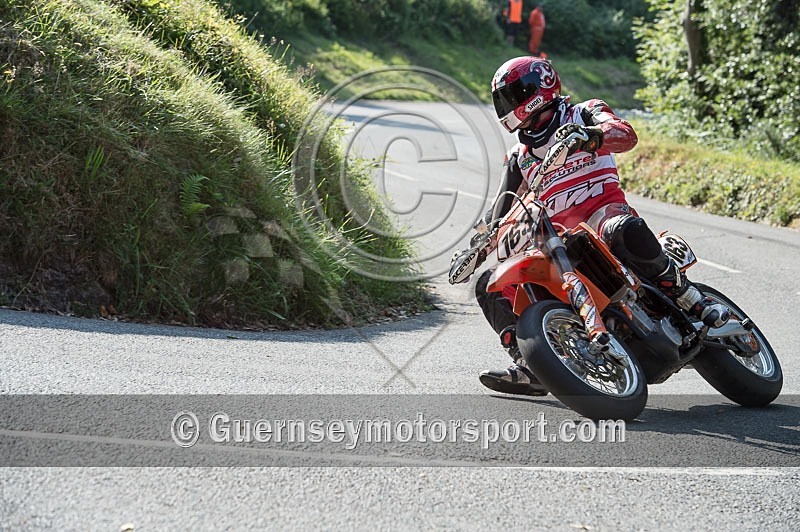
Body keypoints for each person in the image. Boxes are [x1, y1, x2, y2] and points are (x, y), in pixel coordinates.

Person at [450, 57, 730, 396]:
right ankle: (531, 364)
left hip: (602, 211)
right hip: (557, 236)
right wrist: (478, 247)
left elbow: (625, 135)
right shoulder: (519, 155)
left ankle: (689, 297)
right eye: (504, 99)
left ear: (539, 88)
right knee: (490, 284)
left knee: (620, 228)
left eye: (515, 94)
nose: (509, 105)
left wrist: (590, 137)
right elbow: (501, 208)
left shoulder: (582, 113)